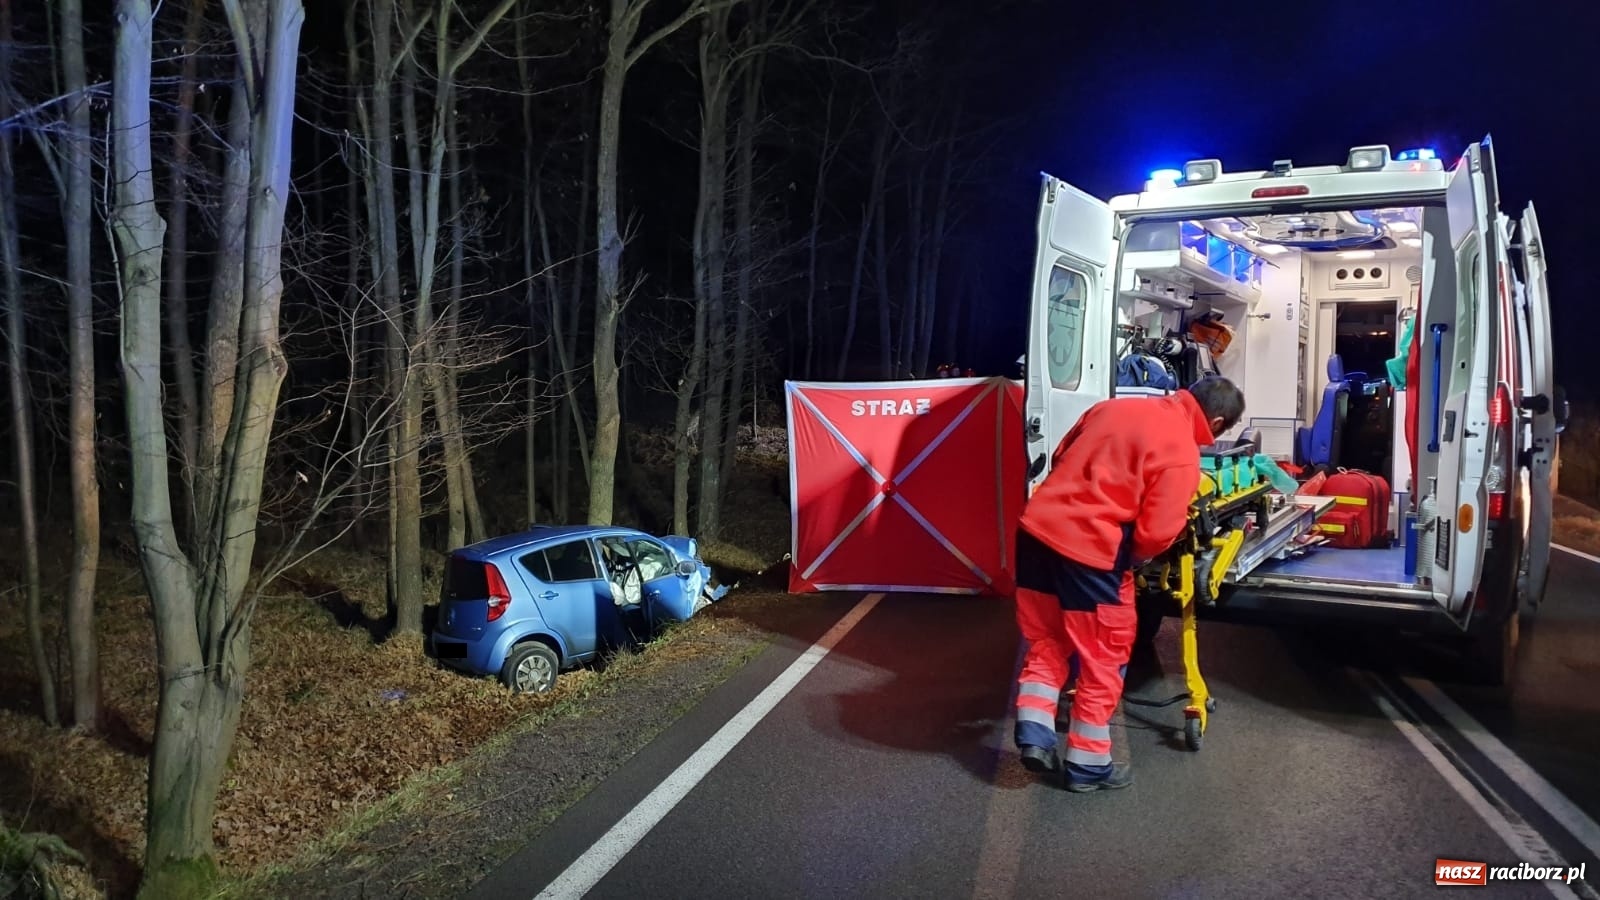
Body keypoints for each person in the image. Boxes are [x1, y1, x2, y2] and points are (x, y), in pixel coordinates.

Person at [1011, 376, 1245, 792]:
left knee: (1047, 639)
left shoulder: (1112, 408)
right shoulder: (1181, 453)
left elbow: (1063, 454)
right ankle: (1087, 764)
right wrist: (1131, 559)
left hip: (1035, 535)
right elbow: (1157, 531)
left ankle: (1034, 730)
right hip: (1090, 552)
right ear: (1219, 420)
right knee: (1104, 654)